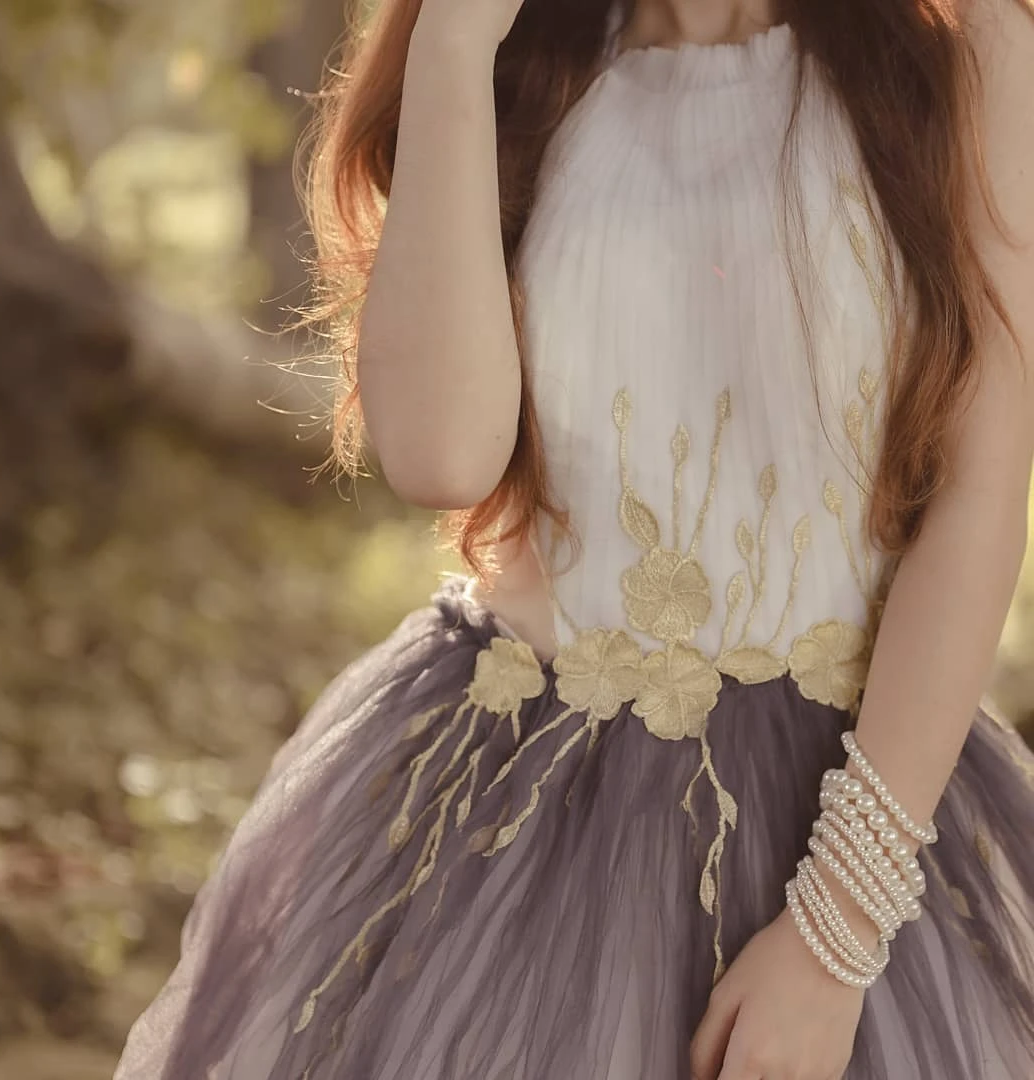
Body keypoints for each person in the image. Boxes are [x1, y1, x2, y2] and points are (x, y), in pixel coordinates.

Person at [114, 0, 1034, 1076]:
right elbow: (441, 457)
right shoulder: (514, 61)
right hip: (512, 818)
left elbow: (977, 504)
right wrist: (454, 45)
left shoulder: (968, 55)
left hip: (855, 800)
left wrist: (837, 934)